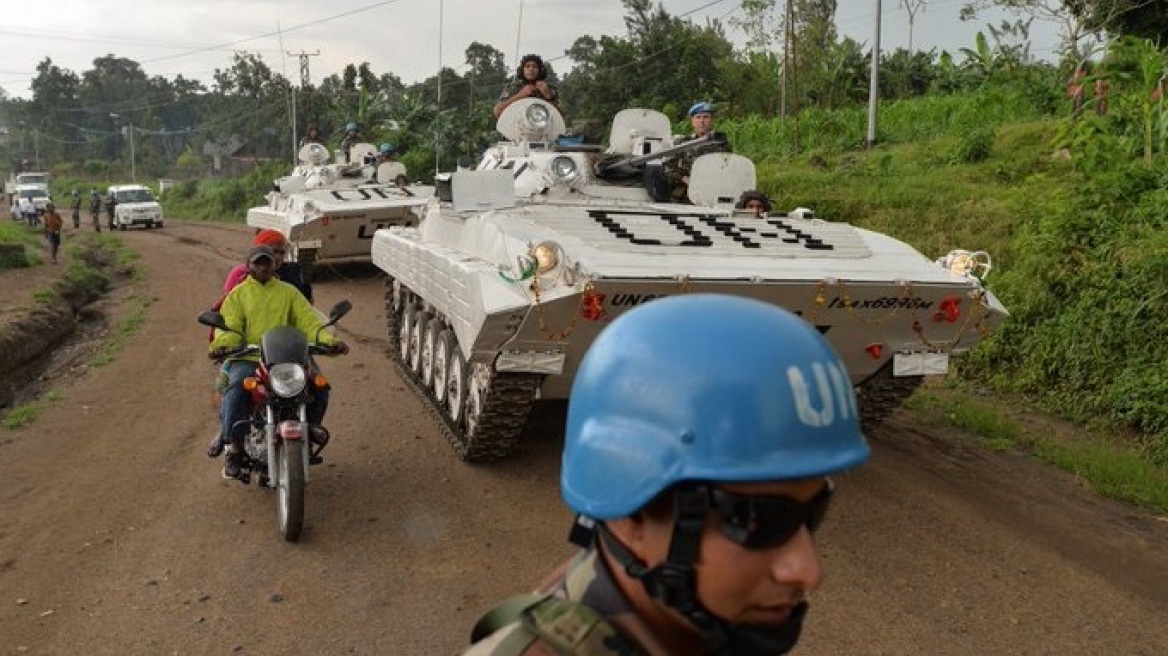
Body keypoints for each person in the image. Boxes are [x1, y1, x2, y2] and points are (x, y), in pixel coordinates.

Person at [464, 294, 870, 656]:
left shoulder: (681, 624)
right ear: (633, 512)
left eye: (814, 512)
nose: (809, 572)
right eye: (756, 520)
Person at [207, 245, 347, 478]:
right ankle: (233, 446)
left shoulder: (289, 292)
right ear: (249, 266)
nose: (263, 267)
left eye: (267, 262)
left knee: (320, 387)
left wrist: (328, 340)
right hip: (250, 357)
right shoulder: (238, 295)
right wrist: (223, 344)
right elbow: (230, 326)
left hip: (287, 358)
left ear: (275, 265)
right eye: (258, 263)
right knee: (235, 389)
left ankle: (310, 426)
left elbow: (308, 322)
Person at [662, 102, 733, 203]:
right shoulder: (682, 143)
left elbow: (728, 169)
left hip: (714, 192)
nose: (702, 121)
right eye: (698, 117)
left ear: (712, 121)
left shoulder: (721, 144)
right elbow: (666, 169)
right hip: (685, 195)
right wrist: (684, 179)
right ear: (693, 121)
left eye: (706, 117)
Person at [493, 54, 560, 119]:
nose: (531, 69)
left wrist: (548, 96)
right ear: (522, 70)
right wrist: (520, 95)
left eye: (535, 66)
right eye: (527, 66)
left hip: (543, 127)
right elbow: (498, 111)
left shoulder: (550, 89)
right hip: (517, 127)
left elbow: (561, 118)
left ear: (540, 70)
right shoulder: (513, 87)